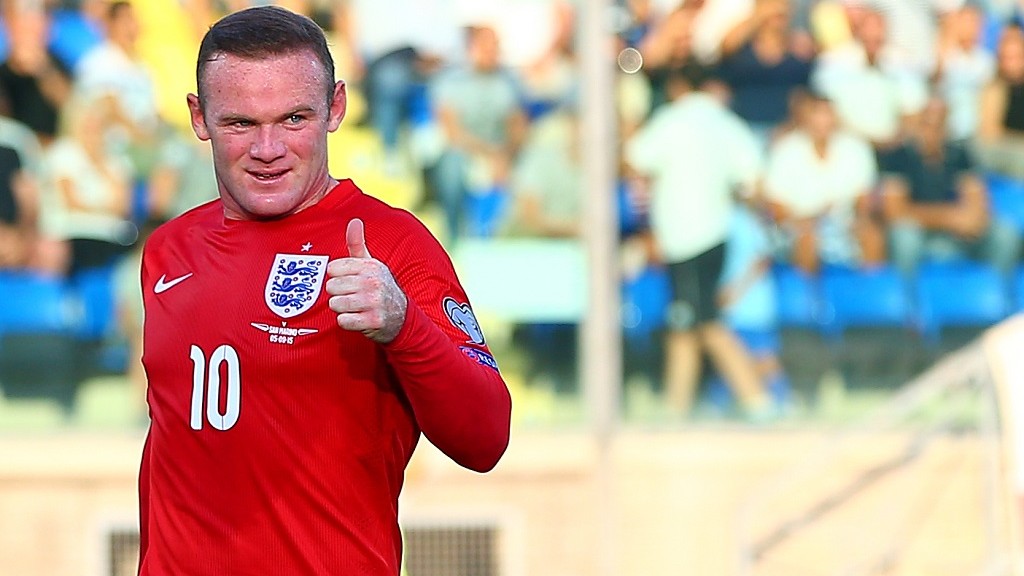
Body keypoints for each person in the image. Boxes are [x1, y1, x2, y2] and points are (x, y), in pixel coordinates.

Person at [136, 7, 512, 575]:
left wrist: (403, 326)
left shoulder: (390, 243)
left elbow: (486, 439)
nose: (268, 148)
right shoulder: (169, 250)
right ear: (199, 116)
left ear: (336, 108)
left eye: (294, 118)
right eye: (240, 123)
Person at [625, 65, 772, 420]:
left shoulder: (670, 121)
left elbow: (634, 160)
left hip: (683, 238)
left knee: (706, 323)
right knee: (684, 324)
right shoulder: (726, 123)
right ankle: (676, 406)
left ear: (678, 86)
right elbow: (752, 179)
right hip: (716, 235)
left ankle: (757, 400)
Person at [884, 97, 1021, 276]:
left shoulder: (960, 155)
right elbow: (895, 211)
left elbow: (976, 196)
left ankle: (997, 290)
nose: (933, 131)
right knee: (905, 235)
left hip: (959, 236)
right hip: (923, 235)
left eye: (940, 124)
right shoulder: (898, 158)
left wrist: (973, 218)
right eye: (927, 124)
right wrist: (949, 218)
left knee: (1004, 233)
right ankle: (906, 292)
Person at [762, 89, 884, 273]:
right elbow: (775, 205)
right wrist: (803, 221)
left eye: (827, 115)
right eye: (817, 115)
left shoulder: (856, 148)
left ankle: (868, 288)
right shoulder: (785, 151)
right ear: (805, 118)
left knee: (872, 235)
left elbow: (864, 198)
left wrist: (859, 219)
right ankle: (808, 291)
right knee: (807, 239)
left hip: (842, 224)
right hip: (797, 226)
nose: (823, 122)